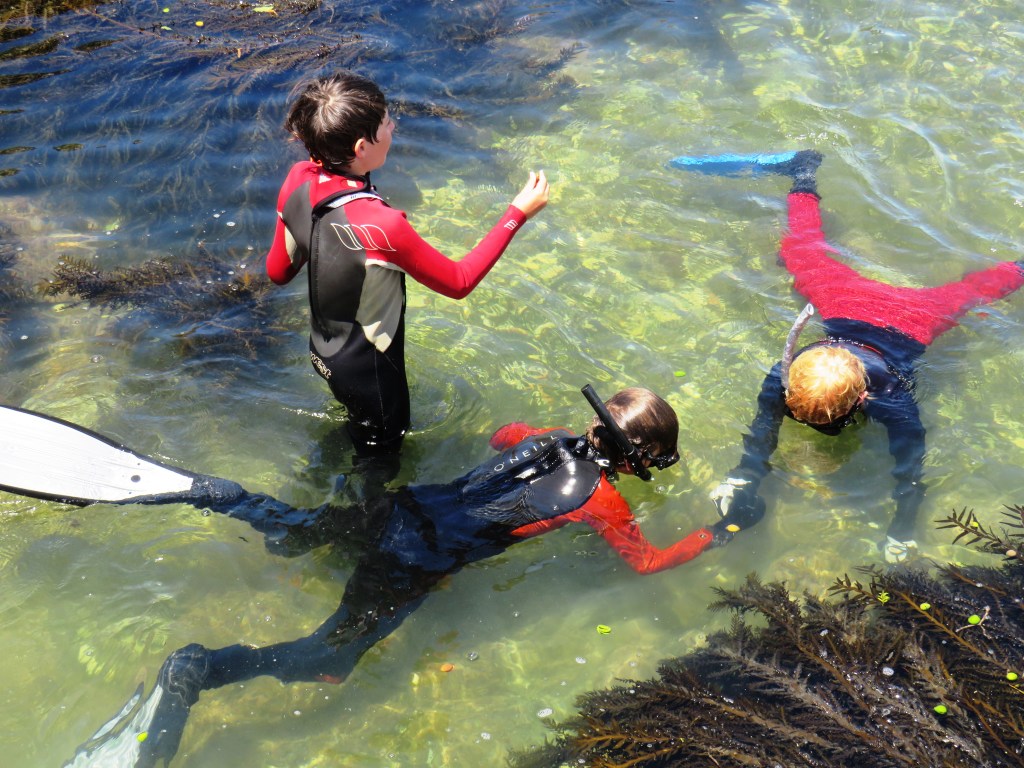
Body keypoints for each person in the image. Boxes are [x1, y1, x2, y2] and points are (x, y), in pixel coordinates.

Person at [65, 387, 715, 767]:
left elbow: (498, 436)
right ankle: (201, 668)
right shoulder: (604, 502)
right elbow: (647, 564)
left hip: (402, 507)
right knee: (330, 661)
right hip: (413, 560)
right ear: (636, 460)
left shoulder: (543, 435)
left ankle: (223, 495)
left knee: (298, 534)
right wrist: (715, 534)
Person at [679, 150, 1024, 563]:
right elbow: (765, 424)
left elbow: (909, 468)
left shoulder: (893, 400)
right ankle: (802, 171)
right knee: (801, 250)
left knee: (973, 292)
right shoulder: (786, 376)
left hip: (907, 322)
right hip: (849, 306)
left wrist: (902, 530)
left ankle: (805, 174)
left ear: (864, 401)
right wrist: (742, 477)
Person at [265, 71, 550, 458]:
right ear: (362, 147)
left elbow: (278, 272)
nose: (393, 125)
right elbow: (459, 282)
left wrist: (324, 242)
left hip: (323, 351)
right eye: (386, 122)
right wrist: (517, 213)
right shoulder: (382, 224)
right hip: (372, 378)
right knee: (381, 470)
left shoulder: (299, 178)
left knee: (356, 433)